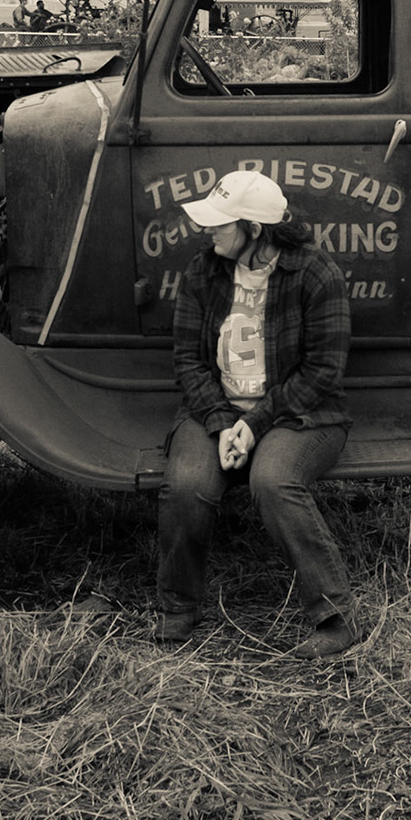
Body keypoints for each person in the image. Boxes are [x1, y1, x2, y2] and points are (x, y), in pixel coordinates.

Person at [155, 169, 363, 659]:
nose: (208, 230)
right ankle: (179, 606)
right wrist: (222, 421)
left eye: (220, 223)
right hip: (216, 410)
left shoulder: (315, 273)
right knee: (186, 485)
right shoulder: (204, 271)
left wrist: (254, 423)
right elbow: (188, 360)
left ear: (254, 229)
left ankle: (335, 617)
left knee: (272, 482)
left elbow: (323, 371)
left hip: (302, 415)